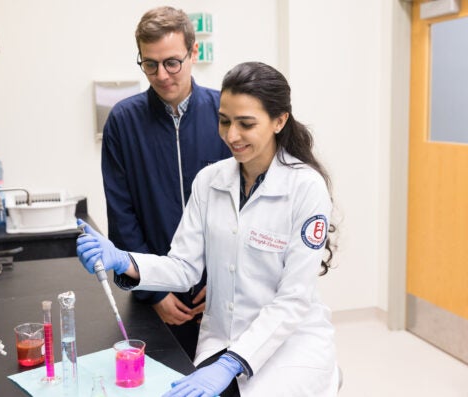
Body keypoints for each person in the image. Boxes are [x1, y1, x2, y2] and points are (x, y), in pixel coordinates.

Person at [79, 62, 339, 396]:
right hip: (222, 340)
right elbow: (185, 267)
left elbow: (293, 300)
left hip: (290, 348)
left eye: (246, 124)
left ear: (279, 120)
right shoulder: (210, 180)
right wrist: (124, 260)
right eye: (224, 120)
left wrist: (232, 364)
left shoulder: (305, 187)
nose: (231, 135)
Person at [101, 6, 231, 359]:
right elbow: (121, 213)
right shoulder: (123, 122)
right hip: (153, 298)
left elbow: (248, 205)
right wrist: (154, 292)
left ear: (193, 53)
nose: (161, 75)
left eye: (172, 62)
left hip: (222, 298)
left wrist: (226, 282)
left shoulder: (225, 115)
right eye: (150, 64)